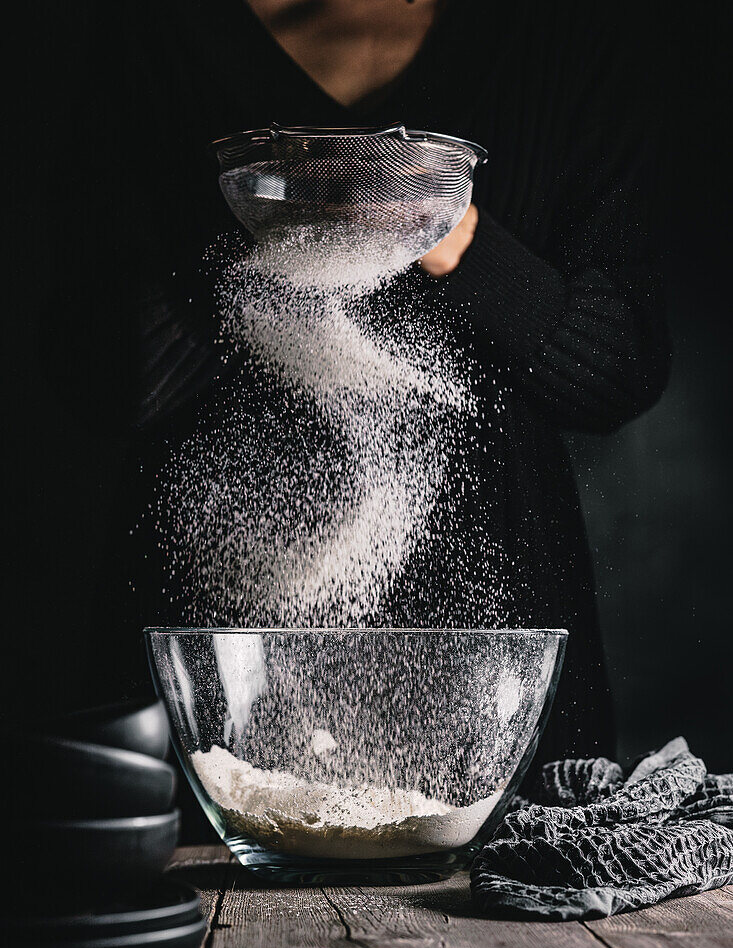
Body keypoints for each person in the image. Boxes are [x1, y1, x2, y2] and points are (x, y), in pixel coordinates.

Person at [13, 0, 669, 771]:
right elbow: (99, 383)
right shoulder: (159, 30)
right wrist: (253, 235)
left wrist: (456, 239)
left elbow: (620, 370)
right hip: (218, 655)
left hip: (494, 656)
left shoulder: (557, 34)